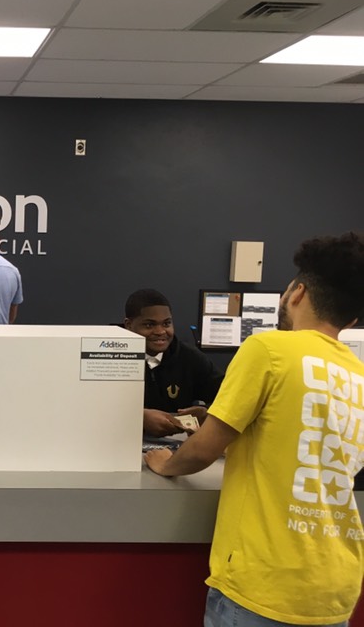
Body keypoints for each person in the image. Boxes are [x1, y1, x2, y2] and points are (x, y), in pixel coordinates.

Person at [145, 232, 364, 626]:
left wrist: (165, 464)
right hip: (335, 586)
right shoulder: (358, 373)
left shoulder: (269, 349)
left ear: (296, 294)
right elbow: (302, 446)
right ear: (350, 318)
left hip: (265, 580)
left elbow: (201, 453)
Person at [124, 288, 224, 437]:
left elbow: (229, 398)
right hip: (119, 441)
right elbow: (93, 407)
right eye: (149, 325)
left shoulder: (190, 358)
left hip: (176, 444)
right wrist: (140, 417)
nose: (160, 331)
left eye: (166, 324)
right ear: (129, 325)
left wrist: (206, 413)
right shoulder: (108, 357)